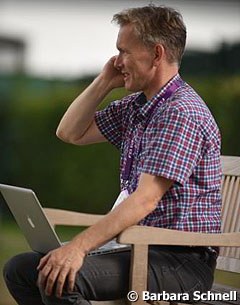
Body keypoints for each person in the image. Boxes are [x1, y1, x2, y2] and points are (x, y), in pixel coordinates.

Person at [3, 5, 222, 305]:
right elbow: (69, 133)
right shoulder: (138, 107)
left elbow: (145, 199)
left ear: (157, 54)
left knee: (62, 280)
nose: (118, 61)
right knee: (21, 269)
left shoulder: (179, 112)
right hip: (137, 247)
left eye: (124, 51)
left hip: (180, 262)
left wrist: (78, 247)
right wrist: (105, 80)